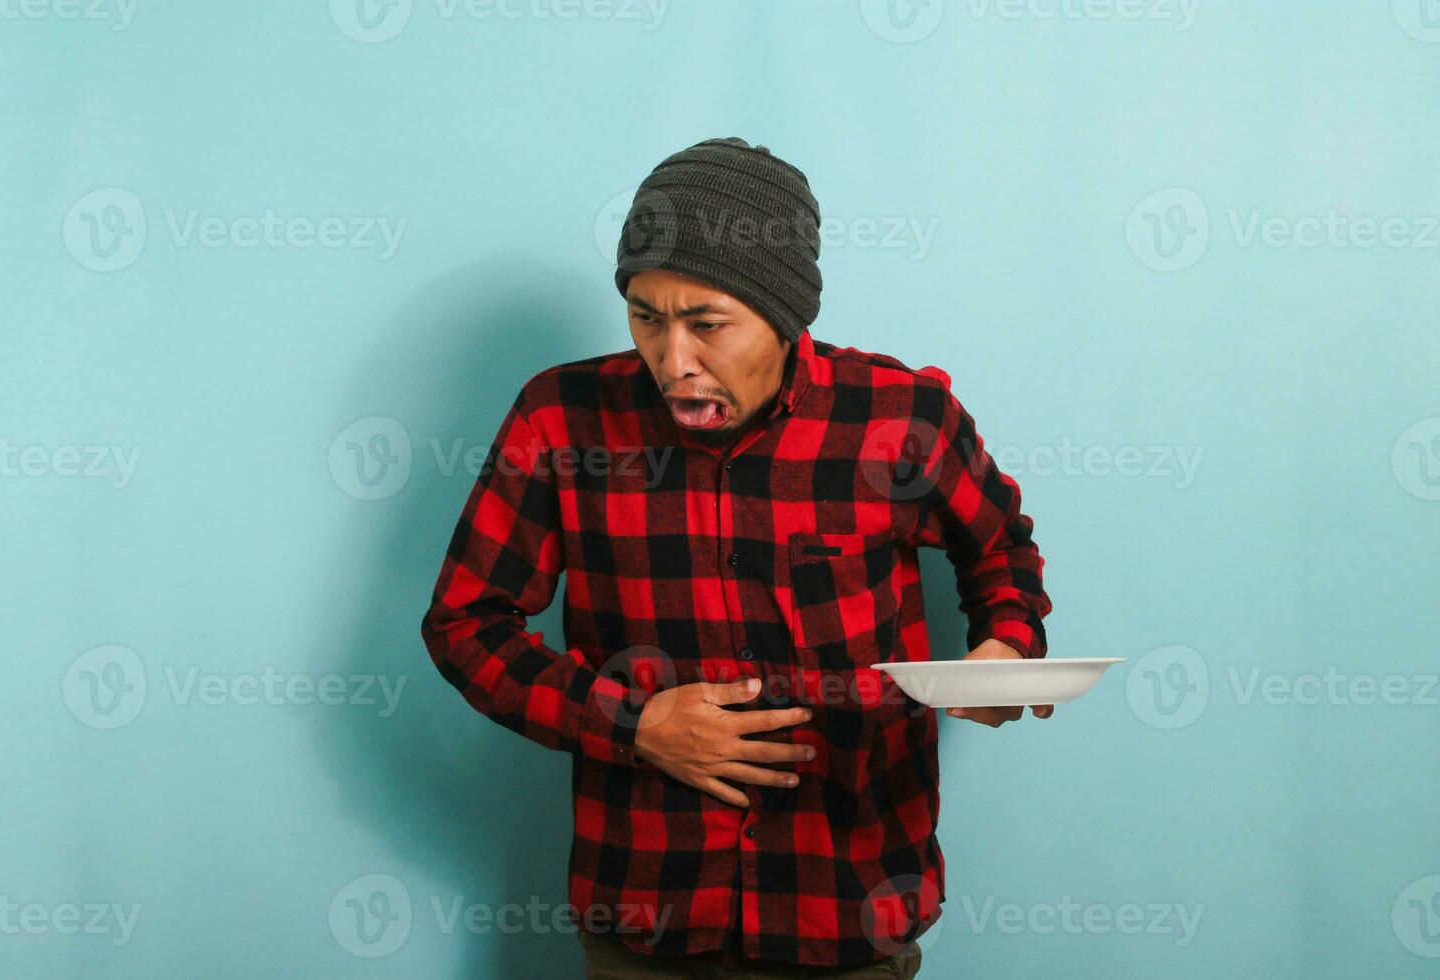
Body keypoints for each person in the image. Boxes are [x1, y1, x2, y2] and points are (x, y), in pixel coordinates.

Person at [419, 137, 1053, 977]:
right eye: (646, 316)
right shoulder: (559, 420)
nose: (673, 360)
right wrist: (632, 724)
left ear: (786, 315)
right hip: (647, 914)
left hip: (848, 909)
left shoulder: (904, 418)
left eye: (706, 323)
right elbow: (466, 624)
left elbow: (1001, 549)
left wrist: (1006, 646)